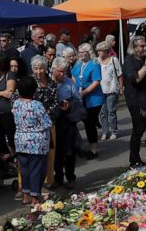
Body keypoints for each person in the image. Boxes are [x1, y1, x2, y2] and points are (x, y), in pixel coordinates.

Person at [12, 76, 52, 205]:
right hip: (36, 143)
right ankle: (35, 197)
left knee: (24, 170)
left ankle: (25, 195)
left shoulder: (16, 103)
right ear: (34, 91)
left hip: (20, 140)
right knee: (37, 170)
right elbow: (47, 123)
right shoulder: (36, 105)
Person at [123, 36, 146, 168]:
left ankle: (136, 158)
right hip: (135, 101)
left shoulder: (142, 59)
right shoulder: (129, 61)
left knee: (141, 129)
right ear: (134, 48)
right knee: (137, 130)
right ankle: (134, 160)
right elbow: (135, 79)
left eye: (145, 46)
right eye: (141, 46)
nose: (144, 48)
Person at [49, 57, 78, 189]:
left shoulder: (69, 83)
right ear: (53, 69)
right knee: (56, 152)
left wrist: (70, 104)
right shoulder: (47, 82)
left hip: (67, 120)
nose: (62, 74)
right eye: (60, 71)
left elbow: (78, 101)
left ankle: (71, 177)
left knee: (69, 151)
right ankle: (58, 178)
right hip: (53, 121)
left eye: (64, 72)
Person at [30, 56, 59, 188]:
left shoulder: (51, 83)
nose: (39, 71)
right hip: (33, 125)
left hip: (49, 122)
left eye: (41, 68)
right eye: (36, 68)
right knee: (34, 156)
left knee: (50, 153)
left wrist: (45, 114)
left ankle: (49, 181)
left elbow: (55, 103)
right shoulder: (29, 82)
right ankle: (30, 184)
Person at [72, 43, 103, 158]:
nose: (80, 55)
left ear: (88, 52)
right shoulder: (78, 63)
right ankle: (84, 146)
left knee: (90, 122)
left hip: (92, 98)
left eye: (82, 52)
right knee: (85, 122)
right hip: (80, 96)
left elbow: (96, 81)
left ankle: (93, 149)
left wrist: (83, 92)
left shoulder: (94, 64)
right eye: (79, 52)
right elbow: (74, 75)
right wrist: (74, 88)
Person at [97, 41, 122, 141]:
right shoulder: (97, 61)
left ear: (106, 51)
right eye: (98, 51)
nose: (98, 53)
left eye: (100, 51)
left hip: (112, 89)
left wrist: (121, 87)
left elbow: (120, 74)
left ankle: (114, 131)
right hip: (100, 90)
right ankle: (104, 131)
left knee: (111, 111)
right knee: (103, 112)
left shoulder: (113, 59)